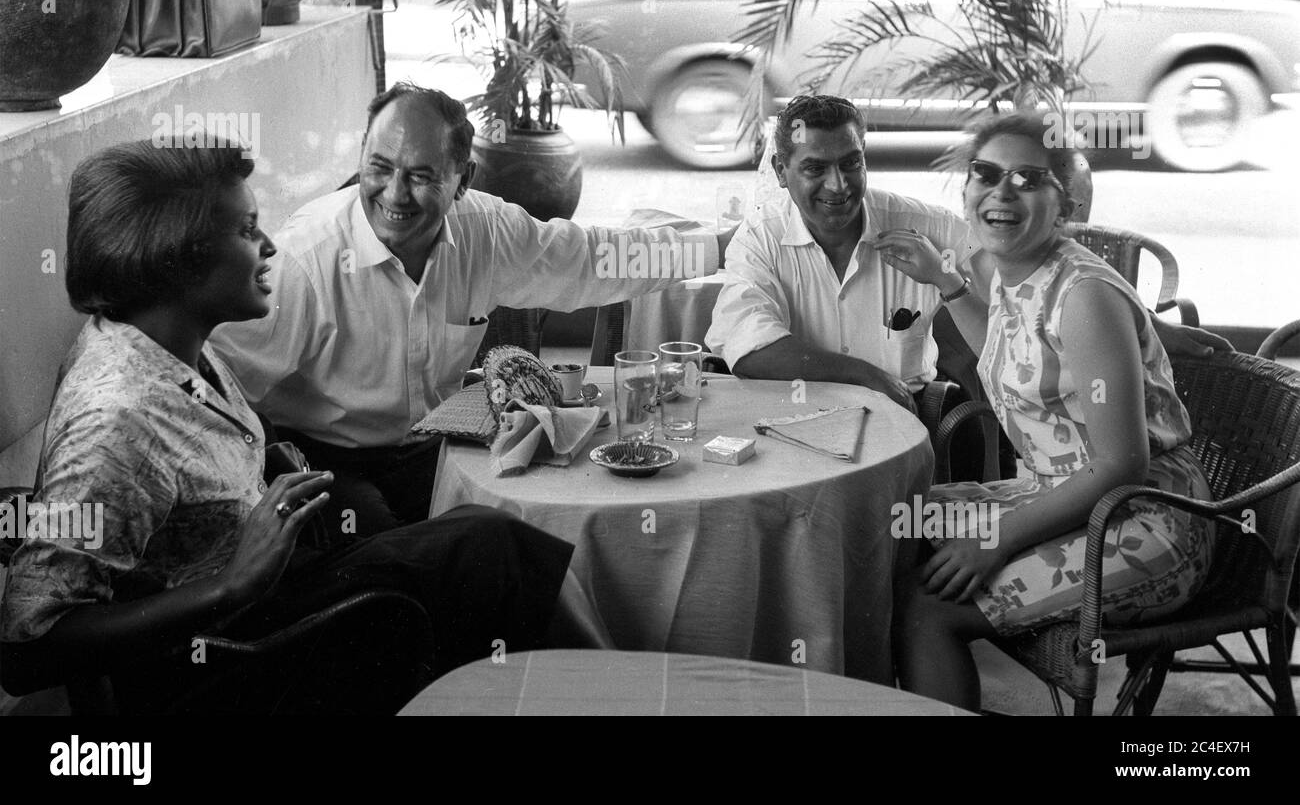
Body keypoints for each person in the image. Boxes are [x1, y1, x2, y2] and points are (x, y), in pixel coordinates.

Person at [0, 140, 575, 714]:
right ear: (179, 259)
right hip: (222, 660)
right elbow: (28, 651)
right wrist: (231, 585)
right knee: (487, 549)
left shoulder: (174, 345)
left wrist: (266, 463)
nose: (270, 245)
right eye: (248, 229)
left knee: (482, 542)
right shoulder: (117, 418)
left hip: (264, 600)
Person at [210, 83, 734, 541]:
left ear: (463, 179)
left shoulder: (485, 228)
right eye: (379, 168)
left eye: (421, 176)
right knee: (396, 555)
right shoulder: (306, 258)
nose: (394, 194)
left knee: (546, 520)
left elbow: (589, 259)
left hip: (436, 447)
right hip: (327, 461)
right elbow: (221, 385)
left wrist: (716, 247)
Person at [876, 111, 1214, 711]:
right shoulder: (1012, 266)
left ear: (1066, 207)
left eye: (1028, 179)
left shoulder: (1084, 296)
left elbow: (1120, 466)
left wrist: (996, 540)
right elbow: (1007, 360)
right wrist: (947, 284)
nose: (1002, 192)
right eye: (987, 173)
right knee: (894, 521)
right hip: (1059, 497)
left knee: (929, 611)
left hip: (1145, 519)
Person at [707, 94, 1232, 419]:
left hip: (909, 421)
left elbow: (1039, 266)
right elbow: (751, 349)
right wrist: (866, 376)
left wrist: (1149, 328)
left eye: (851, 163)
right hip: (795, 422)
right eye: (815, 168)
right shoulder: (760, 239)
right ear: (781, 172)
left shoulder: (921, 225)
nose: (838, 185)